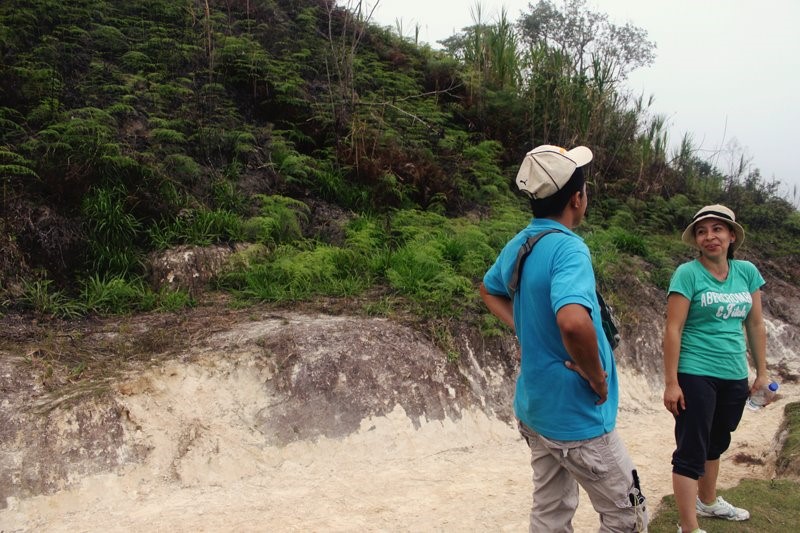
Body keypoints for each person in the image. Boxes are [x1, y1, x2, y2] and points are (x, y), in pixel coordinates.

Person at [480, 145, 647, 532]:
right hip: (577, 417)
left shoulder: (523, 242)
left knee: (550, 512)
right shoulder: (570, 249)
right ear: (577, 198)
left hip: (536, 411)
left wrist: (525, 327)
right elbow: (573, 322)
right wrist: (597, 375)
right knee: (630, 513)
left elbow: (490, 290)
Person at [662, 204, 770, 533]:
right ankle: (688, 526)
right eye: (702, 231)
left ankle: (707, 503)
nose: (710, 236)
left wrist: (761, 373)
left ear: (731, 235)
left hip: (734, 372)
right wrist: (671, 382)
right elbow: (673, 329)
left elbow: (754, 324)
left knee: (717, 441)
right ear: (696, 240)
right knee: (691, 447)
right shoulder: (687, 274)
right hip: (695, 371)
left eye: (717, 229)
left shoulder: (747, 272)